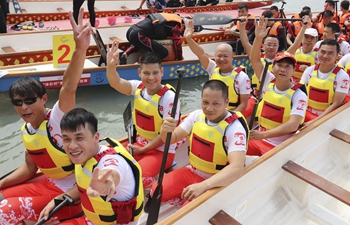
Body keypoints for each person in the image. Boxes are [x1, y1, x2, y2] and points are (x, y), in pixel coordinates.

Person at [0, 7, 90, 224]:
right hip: (47, 184)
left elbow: (68, 88)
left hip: (74, 195)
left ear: (43, 99)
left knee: (3, 212)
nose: (24, 107)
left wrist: (80, 50)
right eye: (18, 103)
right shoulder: (27, 130)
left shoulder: (58, 119)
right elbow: (30, 168)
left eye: (30, 100)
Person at [147, 79, 248, 207]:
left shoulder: (235, 128)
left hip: (216, 180)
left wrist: (203, 186)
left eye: (216, 104)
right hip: (193, 171)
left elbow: (237, 168)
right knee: (156, 191)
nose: (209, 108)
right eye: (205, 102)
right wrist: (164, 130)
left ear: (226, 102)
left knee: (187, 212)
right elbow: (171, 138)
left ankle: (190, 200)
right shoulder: (196, 116)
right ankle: (187, 197)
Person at [38, 108, 144, 225]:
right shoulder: (86, 156)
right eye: (66, 139)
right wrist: (57, 200)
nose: (72, 146)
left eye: (79, 138)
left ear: (96, 137)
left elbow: (111, 173)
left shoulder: (111, 161)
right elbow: (85, 185)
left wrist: (107, 182)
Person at [107, 44, 180, 190]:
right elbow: (116, 83)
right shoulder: (137, 87)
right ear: (139, 72)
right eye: (146, 73)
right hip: (139, 143)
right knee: (111, 163)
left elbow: (165, 137)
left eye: (155, 73)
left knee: (133, 177)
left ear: (162, 72)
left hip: (161, 149)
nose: (151, 78)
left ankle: (157, 180)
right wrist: (111, 66)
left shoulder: (169, 98)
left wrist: (144, 149)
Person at [247, 17, 308, 156]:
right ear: (273, 67)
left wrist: (263, 135)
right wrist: (258, 38)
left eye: (288, 67)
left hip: (279, 145)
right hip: (260, 136)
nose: (283, 69)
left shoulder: (298, 94)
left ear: (293, 71)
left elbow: (293, 125)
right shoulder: (268, 80)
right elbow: (255, 59)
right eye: (279, 65)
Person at [184, 20, 252, 119]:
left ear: (232, 57)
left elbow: (243, 105)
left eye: (225, 56)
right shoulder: (212, 68)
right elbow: (200, 53)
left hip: (230, 115)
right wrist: (188, 39)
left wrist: (226, 118)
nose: (222, 59)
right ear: (214, 56)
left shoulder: (241, 77)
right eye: (219, 56)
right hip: (211, 112)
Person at [301, 39, 349, 125]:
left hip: (326, 118)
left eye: (331, 53)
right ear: (318, 52)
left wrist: (315, 122)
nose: (325, 56)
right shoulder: (309, 70)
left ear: (337, 56)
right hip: (305, 113)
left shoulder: (343, 76)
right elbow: (301, 95)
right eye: (323, 52)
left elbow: (336, 103)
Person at [120, 13, 186, 64]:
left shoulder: (168, 18)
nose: (180, 34)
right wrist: (180, 59)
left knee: (141, 44)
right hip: (138, 35)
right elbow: (177, 43)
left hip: (131, 31)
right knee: (164, 53)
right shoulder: (176, 25)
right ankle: (139, 64)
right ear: (183, 25)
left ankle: (126, 54)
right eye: (182, 32)